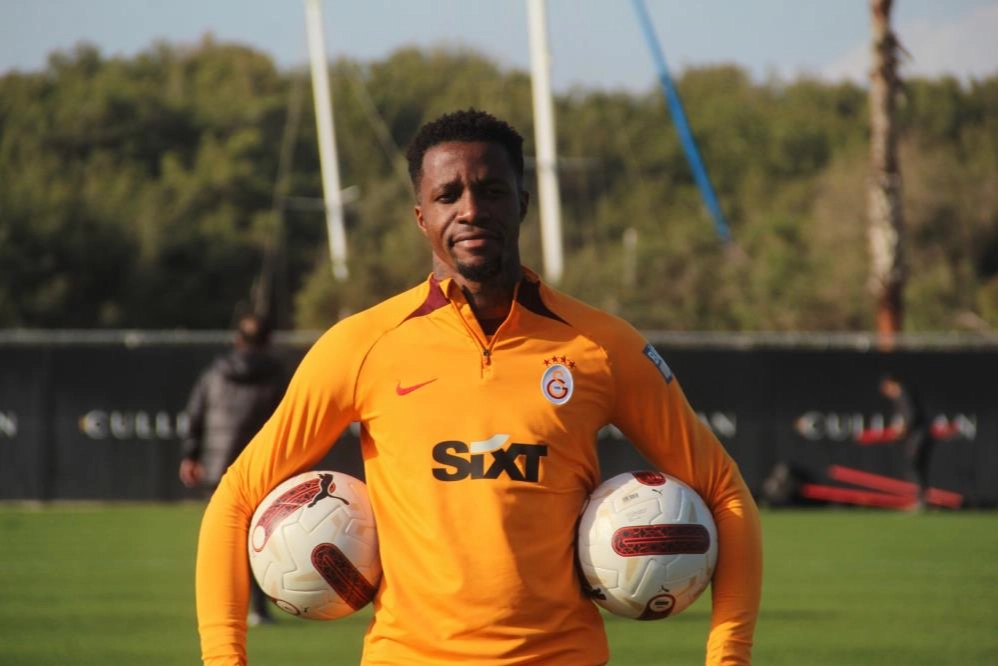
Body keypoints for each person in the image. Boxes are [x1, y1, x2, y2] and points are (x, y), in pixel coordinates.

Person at [195, 109, 762, 665]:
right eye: (449, 195)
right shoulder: (361, 344)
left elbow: (723, 490)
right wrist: (224, 657)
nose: (471, 210)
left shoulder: (603, 345)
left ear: (522, 203)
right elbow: (237, 496)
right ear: (421, 216)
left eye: (491, 191)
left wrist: (729, 656)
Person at [181, 313, 287, 626]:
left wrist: (190, 455)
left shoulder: (215, 373)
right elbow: (288, 422)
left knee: (224, 545)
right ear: (268, 341)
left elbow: (195, 414)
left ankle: (224, 612)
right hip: (261, 472)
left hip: (219, 471)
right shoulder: (278, 375)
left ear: (237, 339)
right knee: (263, 542)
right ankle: (260, 608)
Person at [877, 372, 934, 510]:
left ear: (891, 383)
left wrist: (903, 429)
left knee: (914, 464)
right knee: (914, 465)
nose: (887, 393)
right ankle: (921, 500)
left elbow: (911, 416)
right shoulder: (900, 398)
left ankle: (921, 501)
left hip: (920, 436)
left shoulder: (904, 395)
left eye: (886, 388)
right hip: (917, 436)